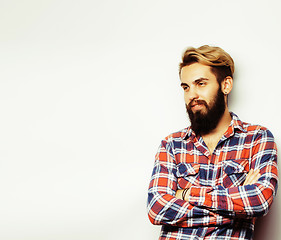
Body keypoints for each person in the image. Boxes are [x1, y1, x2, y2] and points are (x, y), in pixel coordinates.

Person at [147, 45, 278, 240]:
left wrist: (185, 194)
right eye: (186, 87)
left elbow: (259, 200)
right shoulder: (171, 144)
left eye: (200, 83)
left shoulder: (257, 138)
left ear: (226, 85)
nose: (192, 95)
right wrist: (236, 207)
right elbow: (157, 208)